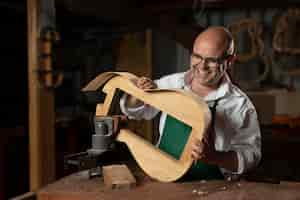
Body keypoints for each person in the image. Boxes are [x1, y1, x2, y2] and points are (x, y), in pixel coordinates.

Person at [119, 26, 261, 180]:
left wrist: (215, 157)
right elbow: (134, 111)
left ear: (230, 61)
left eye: (212, 60)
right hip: (162, 178)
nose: (202, 66)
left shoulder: (239, 104)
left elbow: (251, 155)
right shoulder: (172, 84)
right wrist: (138, 94)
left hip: (212, 187)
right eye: (197, 56)